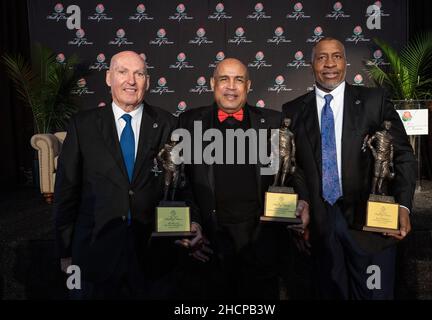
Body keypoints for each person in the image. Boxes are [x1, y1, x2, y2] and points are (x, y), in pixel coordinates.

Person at [54, 51, 201, 299]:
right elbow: (67, 190)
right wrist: (65, 250)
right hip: (95, 253)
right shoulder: (83, 125)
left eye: (139, 74)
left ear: (148, 82)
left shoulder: (168, 124)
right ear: (109, 77)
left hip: (153, 256)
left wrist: (193, 221)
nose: (131, 81)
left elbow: (184, 183)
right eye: (123, 72)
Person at [282, 38, 416, 299]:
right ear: (311, 64)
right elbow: (294, 168)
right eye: (322, 57)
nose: (329, 64)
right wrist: (302, 202)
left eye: (336, 56)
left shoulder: (374, 101)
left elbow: (403, 156)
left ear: (345, 62)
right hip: (320, 231)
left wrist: (403, 206)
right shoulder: (294, 110)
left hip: (372, 226)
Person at [176, 58, 309, 299]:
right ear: (212, 83)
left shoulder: (273, 122)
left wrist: (303, 203)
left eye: (238, 80)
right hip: (209, 245)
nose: (231, 86)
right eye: (224, 79)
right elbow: (181, 183)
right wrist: (193, 223)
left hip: (261, 242)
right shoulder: (188, 122)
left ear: (248, 86)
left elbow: (293, 171)